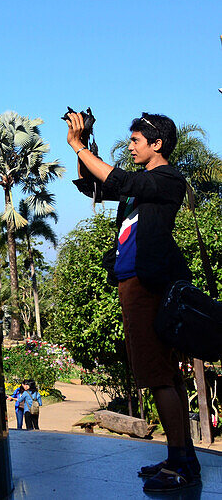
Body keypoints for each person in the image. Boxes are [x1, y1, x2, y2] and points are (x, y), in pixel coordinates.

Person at [67, 110, 200, 491]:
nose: (130, 147)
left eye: (136, 141)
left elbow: (118, 178)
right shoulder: (143, 184)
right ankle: (184, 456)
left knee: (157, 375)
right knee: (165, 375)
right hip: (133, 281)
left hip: (147, 283)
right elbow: (95, 183)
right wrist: (86, 143)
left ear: (157, 144)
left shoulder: (167, 179)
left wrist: (77, 145)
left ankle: (179, 465)